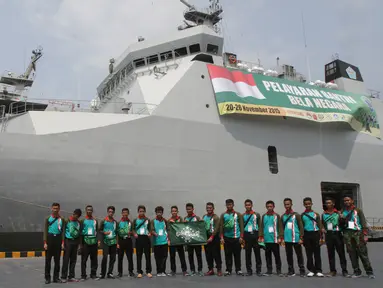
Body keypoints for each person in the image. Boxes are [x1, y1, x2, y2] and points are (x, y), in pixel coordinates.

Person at [341, 196, 375, 279]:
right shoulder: (342, 211)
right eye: (345, 201)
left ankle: (369, 272)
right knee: (352, 253)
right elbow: (341, 225)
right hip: (347, 233)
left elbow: (363, 222)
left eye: (348, 200)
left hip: (358, 233)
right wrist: (341, 219)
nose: (346, 202)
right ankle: (356, 271)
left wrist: (365, 234)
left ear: (352, 201)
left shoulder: (358, 211)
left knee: (362, 253)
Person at [321, 198, 348, 277]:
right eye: (326, 203)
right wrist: (322, 228)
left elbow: (344, 223)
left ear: (333, 204)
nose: (328, 204)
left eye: (329, 203)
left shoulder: (338, 213)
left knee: (341, 253)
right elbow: (322, 224)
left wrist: (342, 218)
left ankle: (344, 270)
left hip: (337, 234)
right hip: (329, 234)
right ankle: (332, 271)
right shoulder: (324, 214)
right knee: (330, 254)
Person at [281, 198, 305, 277]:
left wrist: (301, 237)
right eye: (285, 204)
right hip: (287, 239)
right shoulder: (283, 216)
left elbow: (301, 226)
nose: (287, 206)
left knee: (299, 255)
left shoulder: (296, 215)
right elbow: (281, 228)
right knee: (289, 255)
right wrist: (282, 238)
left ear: (291, 204)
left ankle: (302, 270)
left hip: (296, 238)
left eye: (288, 204)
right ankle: (291, 270)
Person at [220, 199, 244, 276]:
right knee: (227, 255)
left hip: (236, 238)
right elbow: (221, 227)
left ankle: (238, 269)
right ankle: (228, 270)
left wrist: (241, 237)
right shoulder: (223, 215)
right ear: (226, 205)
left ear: (233, 205)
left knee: (237, 254)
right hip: (227, 238)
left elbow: (241, 226)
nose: (229, 206)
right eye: (227, 205)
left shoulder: (238, 214)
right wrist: (222, 237)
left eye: (230, 204)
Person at [258, 200, 283, 276]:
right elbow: (261, 227)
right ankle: (269, 270)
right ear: (266, 207)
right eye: (268, 206)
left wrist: (280, 237)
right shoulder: (264, 216)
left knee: (277, 256)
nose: (269, 208)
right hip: (266, 240)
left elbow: (280, 227)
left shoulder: (277, 216)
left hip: (275, 240)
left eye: (271, 206)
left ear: (273, 207)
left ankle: (279, 270)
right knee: (267, 256)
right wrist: (261, 237)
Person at [301, 197, 324, 277]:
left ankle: (319, 270)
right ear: (304, 205)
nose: (307, 205)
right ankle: (311, 269)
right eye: (306, 204)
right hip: (307, 235)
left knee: (317, 253)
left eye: (309, 204)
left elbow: (319, 225)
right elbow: (301, 226)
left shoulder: (316, 214)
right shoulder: (302, 215)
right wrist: (302, 237)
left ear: (311, 204)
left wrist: (321, 237)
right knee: (309, 253)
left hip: (315, 234)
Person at [44, 202, 65, 284]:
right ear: (51, 208)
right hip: (50, 239)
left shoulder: (62, 219)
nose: (55, 210)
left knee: (57, 260)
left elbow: (63, 232)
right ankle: (47, 278)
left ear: (59, 209)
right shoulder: (48, 218)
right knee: (48, 260)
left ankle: (56, 278)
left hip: (58, 239)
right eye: (54, 208)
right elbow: (45, 231)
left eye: (57, 208)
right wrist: (45, 242)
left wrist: (62, 242)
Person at [61, 208, 82, 283]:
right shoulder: (67, 221)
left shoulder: (79, 223)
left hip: (75, 242)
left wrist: (79, 244)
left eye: (76, 215)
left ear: (78, 216)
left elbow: (80, 234)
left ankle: (71, 276)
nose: (74, 216)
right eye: (73, 214)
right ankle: (63, 276)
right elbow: (63, 232)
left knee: (73, 260)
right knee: (66, 260)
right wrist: (63, 242)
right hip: (68, 242)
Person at [80, 205, 100, 281]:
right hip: (86, 242)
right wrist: (81, 245)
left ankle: (93, 274)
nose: (89, 211)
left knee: (94, 260)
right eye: (88, 210)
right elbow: (81, 233)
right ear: (86, 211)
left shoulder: (95, 220)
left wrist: (98, 240)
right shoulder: (82, 221)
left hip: (94, 242)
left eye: (91, 210)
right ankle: (83, 275)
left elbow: (97, 231)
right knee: (84, 260)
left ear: (92, 211)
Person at [242, 199, 262, 276]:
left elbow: (260, 226)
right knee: (248, 254)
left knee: (257, 253)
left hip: (255, 235)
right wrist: (242, 237)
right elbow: (241, 227)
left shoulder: (256, 214)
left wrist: (260, 236)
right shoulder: (243, 215)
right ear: (245, 206)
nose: (248, 206)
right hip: (247, 236)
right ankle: (249, 270)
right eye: (246, 205)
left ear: (252, 205)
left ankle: (258, 270)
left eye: (249, 205)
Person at [168, 206, 188, 276]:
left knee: (182, 256)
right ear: (171, 212)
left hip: (179, 240)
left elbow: (183, 228)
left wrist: (185, 223)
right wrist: (169, 240)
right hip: (172, 241)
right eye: (173, 211)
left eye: (175, 211)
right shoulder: (169, 220)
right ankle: (173, 270)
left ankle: (184, 270)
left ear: (177, 212)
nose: (174, 212)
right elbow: (167, 231)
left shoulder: (180, 219)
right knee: (172, 256)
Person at [203, 202, 222, 276]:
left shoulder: (216, 217)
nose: (209, 209)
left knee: (216, 254)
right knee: (208, 254)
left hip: (214, 238)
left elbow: (217, 228)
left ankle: (219, 269)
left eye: (210, 208)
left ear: (213, 208)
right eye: (207, 208)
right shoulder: (204, 216)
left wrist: (212, 237)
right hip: (206, 238)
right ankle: (210, 269)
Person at [133, 205, 153, 278]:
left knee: (148, 256)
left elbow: (150, 228)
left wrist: (150, 233)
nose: (141, 212)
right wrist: (134, 233)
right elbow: (133, 229)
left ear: (145, 212)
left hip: (146, 238)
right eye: (140, 211)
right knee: (139, 256)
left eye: (143, 211)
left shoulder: (148, 220)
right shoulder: (135, 220)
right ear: (138, 212)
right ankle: (139, 272)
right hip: (139, 238)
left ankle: (148, 271)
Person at [184, 203, 203, 276]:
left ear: (193, 209)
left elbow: (201, 227)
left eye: (190, 209)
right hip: (189, 241)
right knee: (190, 256)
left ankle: (200, 270)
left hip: (197, 241)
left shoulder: (197, 218)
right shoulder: (185, 219)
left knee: (199, 255)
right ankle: (192, 270)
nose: (188, 210)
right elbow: (183, 229)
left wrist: (201, 222)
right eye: (187, 209)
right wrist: (184, 223)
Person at [99, 206, 118, 279]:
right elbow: (100, 230)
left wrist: (117, 242)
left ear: (113, 213)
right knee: (105, 257)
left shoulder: (115, 222)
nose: (111, 213)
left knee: (113, 258)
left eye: (112, 212)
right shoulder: (103, 221)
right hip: (106, 242)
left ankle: (110, 273)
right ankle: (102, 273)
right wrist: (104, 232)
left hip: (113, 242)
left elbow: (116, 233)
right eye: (109, 212)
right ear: (107, 212)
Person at [151, 206, 169, 277]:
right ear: (156, 213)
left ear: (162, 213)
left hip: (164, 242)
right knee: (157, 257)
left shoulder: (165, 221)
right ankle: (158, 271)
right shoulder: (153, 221)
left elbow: (168, 229)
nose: (159, 213)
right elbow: (151, 230)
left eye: (160, 212)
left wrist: (168, 237)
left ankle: (163, 271)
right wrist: (154, 233)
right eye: (158, 212)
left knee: (164, 257)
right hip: (156, 242)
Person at [117, 208, 134, 278]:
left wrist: (131, 233)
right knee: (120, 258)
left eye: (126, 213)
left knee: (130, 257)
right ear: (122, 213)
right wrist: (117, 243)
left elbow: (133, 231)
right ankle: (120, 272)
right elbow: (117, 233)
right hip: (121, 241)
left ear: (128, 213)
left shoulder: (130, 222)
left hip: (128, 241)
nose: (125, 214)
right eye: (123, 213)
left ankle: (131, 271)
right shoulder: (118, 222)